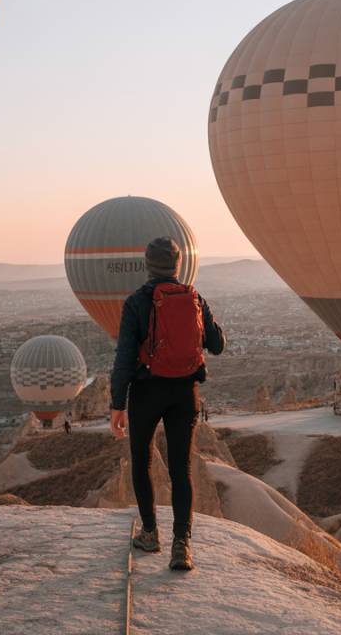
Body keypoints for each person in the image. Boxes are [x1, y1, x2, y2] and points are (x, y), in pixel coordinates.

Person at [110, 237, 225, 571]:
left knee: (142, 461)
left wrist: (118, 404)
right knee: (181, 469)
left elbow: (124, 358)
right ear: (178, 264)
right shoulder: (195, 297)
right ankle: (182, 545)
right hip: (185, 393)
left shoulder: (136, 302)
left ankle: (149, 533)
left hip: (146, 392)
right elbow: (218, 344)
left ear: (148, 265)